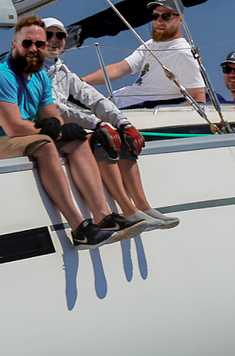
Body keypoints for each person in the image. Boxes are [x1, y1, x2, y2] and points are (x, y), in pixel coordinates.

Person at [0, 16, 119, 246]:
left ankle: (104, 218)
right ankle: (79, 227)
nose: (34, 49)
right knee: (45, 145)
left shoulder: (40, 76)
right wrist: (56, 132)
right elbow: (13, 127)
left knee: (79, 140)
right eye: (27, 43)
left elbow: (49, 113)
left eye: (39, 44)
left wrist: (60, 126)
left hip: (9, 138)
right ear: (14, 45)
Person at [42, 18, 176, 233]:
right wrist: (98, 124)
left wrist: (123, 123)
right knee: (101, 138)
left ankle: (143, 205)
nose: (55, 40)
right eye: (49, 35)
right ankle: (128, 208)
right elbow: (53, 107)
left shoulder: (62, 71)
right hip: (45, 128)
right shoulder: (32, 69)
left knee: (122, 136)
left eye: (60, 36)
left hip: (64, 128)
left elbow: (93, 98)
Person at [87, 0, 208, 110]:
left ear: (180, 19)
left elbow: (198, 100)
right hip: (111, 104)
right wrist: (80, 81)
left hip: (130, 114)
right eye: (155, 16)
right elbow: (119, 69)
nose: (159, 21)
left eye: (166, 16)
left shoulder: (183, 53)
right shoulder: (150, 44)